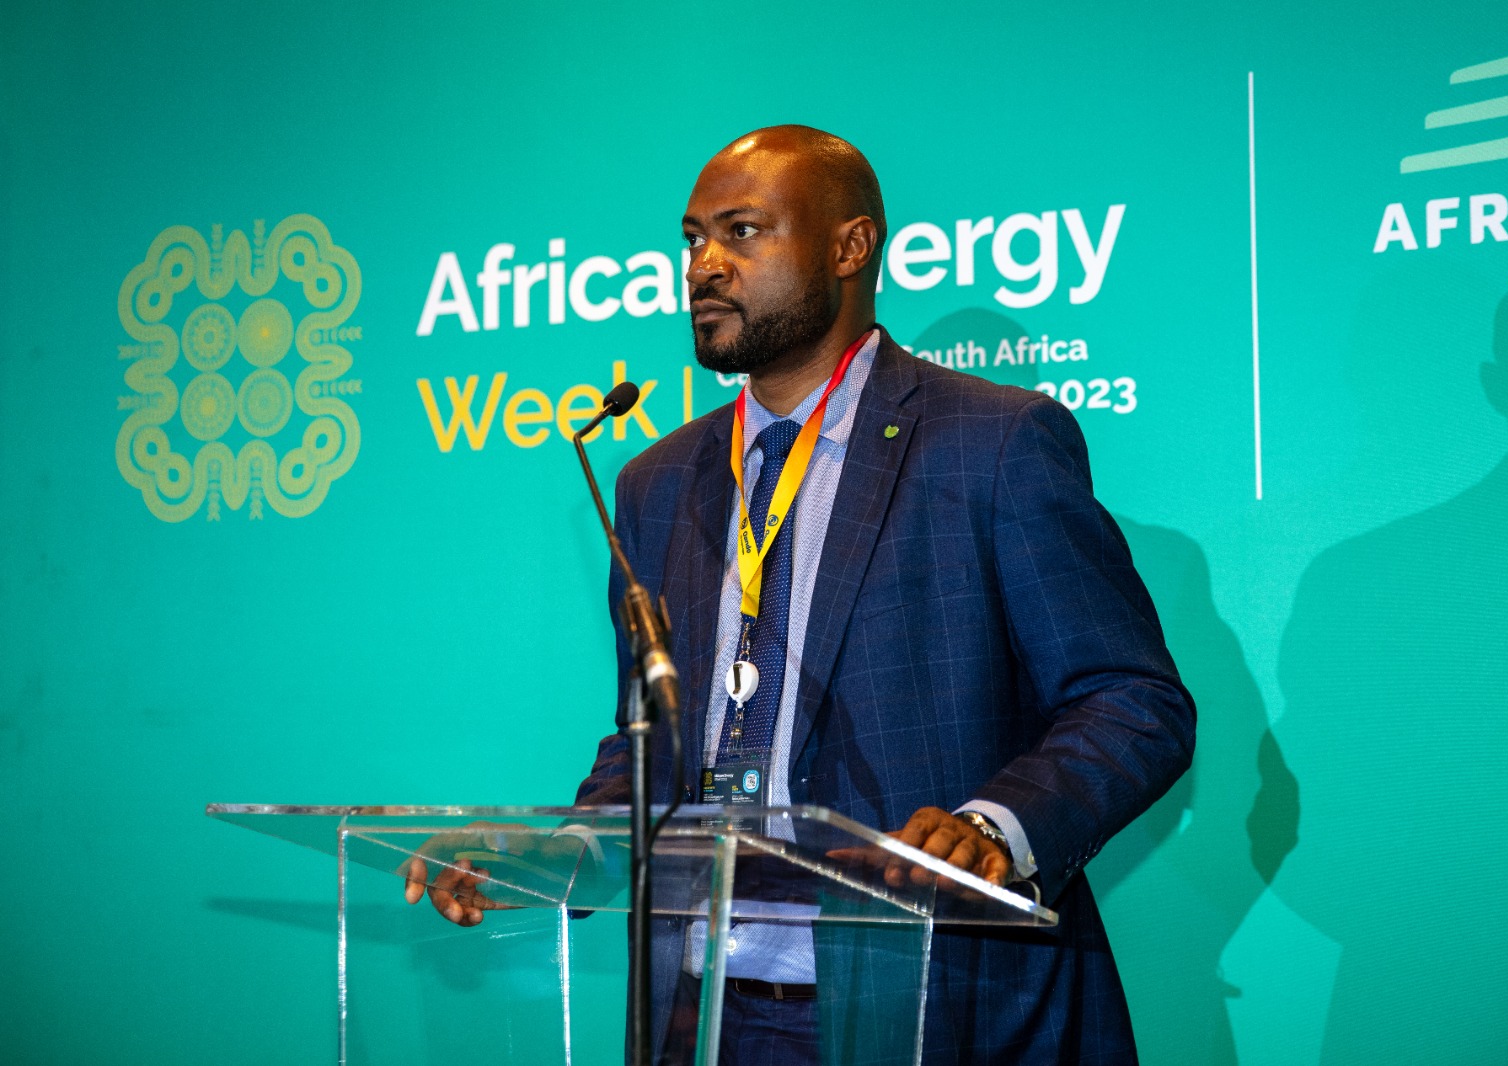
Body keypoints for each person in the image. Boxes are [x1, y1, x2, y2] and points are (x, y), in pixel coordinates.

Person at [409, 125, 1195, 1065]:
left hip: (928, 998)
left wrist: (990, 831)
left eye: (742, 232)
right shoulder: (657, 482)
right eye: (693, 239)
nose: (703, 265)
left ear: (849, 246)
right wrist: (565, 849)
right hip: (704, 1012)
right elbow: (652, 741)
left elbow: (1132, 702)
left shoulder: (992, 443)